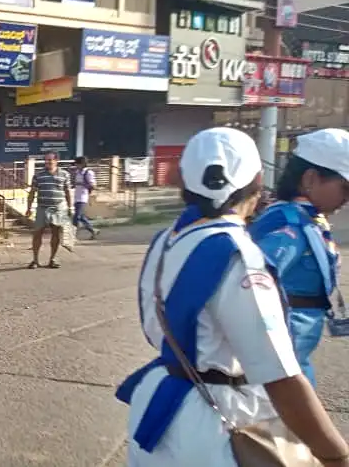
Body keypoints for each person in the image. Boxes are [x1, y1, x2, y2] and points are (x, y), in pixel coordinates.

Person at [116, 127, 349, 466]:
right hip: (216, 422)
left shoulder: (166, 239)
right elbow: (280, 377)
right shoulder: (239, 255)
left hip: (161, 406)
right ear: (257, 180)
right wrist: (335, 455)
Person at [248, 128, 349, 387]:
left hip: (294, 350)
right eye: (345, 188)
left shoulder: (306, 219)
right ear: (311, 178)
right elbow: (250, 286)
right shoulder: (287, 225)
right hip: (280, 356)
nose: (347, 199)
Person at [25, 151, 72, 269]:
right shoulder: (38, 175)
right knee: (37, 233)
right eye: (46, 160)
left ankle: (53, 259)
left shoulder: (64, 174)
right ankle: (35, 260)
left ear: (56, 161)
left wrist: (70, 207)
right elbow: (32, 192)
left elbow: (67, 192)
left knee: (56, 233)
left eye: (50, 160)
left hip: (58, 208)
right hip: (42, 208)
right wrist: (28, 208)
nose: (48, 162)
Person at [71, 157, 99, 239]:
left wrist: (81, 183)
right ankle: (93, 230)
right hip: (77, 196)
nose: (76, 166)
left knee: (76, 217)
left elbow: (93, 186)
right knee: (81, 216)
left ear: (82, 164)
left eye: (77, 164)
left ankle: (72, 234)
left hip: (83, 197)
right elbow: (75, 184)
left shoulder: (88, 173)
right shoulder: (77, 172)